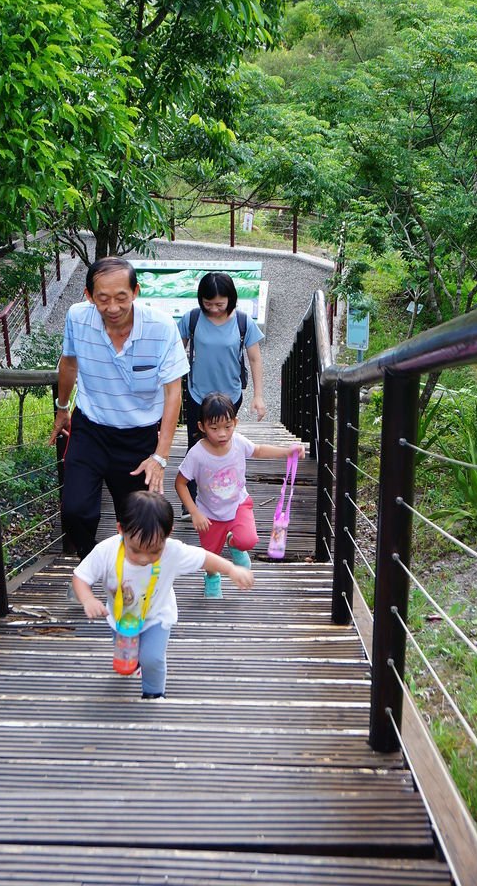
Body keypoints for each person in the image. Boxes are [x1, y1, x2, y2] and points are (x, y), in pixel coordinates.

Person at [48, 256, 189, 560]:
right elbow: (69, 362)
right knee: (75, 510)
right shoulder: (77, 317)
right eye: (102, 299)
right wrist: (62, 408)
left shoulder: (161, 327)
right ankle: (88, 563)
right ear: (88, 296)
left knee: (138, 520)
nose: (112, 307)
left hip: (138, 437)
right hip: (90, 428)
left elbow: (173, 392)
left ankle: (132, 576)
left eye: (121, 297)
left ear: (136, 291)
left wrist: (160, 457)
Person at [71, 491, 254, 699]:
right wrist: (87, 598)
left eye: (154, 551)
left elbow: (204, 558)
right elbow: (80, 577)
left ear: (168, 535)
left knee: (153, 658)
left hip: (157, 616)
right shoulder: (106, 552)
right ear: (121, 530)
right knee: (128, 661)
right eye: (136, 550)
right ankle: (135, 663)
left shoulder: (172, 551)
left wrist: (231, 569)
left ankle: (154, 694)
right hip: (120, 618)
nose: (144, 558)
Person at [175, 392, 305, 598]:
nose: (222, 434)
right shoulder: (197, 454)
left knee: (248, 540)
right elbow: (180, 483)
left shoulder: (237, 442)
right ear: (202, 427)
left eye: (228, 426)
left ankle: (235, 546)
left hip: (238, 505)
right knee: (210, 555)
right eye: (214, 428)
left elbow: (259, 450)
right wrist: (194, 512)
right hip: (209, 514)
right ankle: (212, 578)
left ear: (235, 422)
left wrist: (287, 452)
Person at [177, 271, 266, 512]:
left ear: (231, 299)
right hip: (197, 394)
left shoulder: (243, 322)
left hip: (230, 396)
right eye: (208, 304)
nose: (214, 309)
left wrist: (258, 396)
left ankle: (221, 495)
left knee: (222, 443)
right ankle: (192, 501)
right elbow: (174, 353)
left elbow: (255, 359)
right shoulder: (192, 319)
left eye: (219, 304)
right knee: (196, 444)